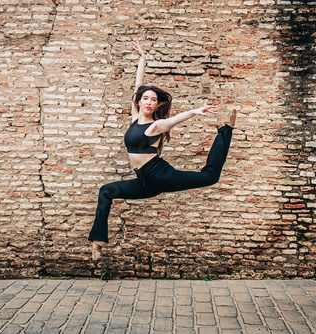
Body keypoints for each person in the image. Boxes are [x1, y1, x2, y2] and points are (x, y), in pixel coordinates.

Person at [88, 40, 237, 260]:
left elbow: (175, 119)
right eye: (145, 99)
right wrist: (142, 59)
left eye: (154, 100)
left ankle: (226, 130)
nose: (149, 102)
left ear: (157, 105)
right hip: (144, 182)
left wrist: (195, 111)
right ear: (139, 102)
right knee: (106, 191)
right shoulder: (135, 119)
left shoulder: (155, 126)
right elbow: (138, 86)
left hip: (160, 174)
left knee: (210, 177)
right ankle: (97, 243)